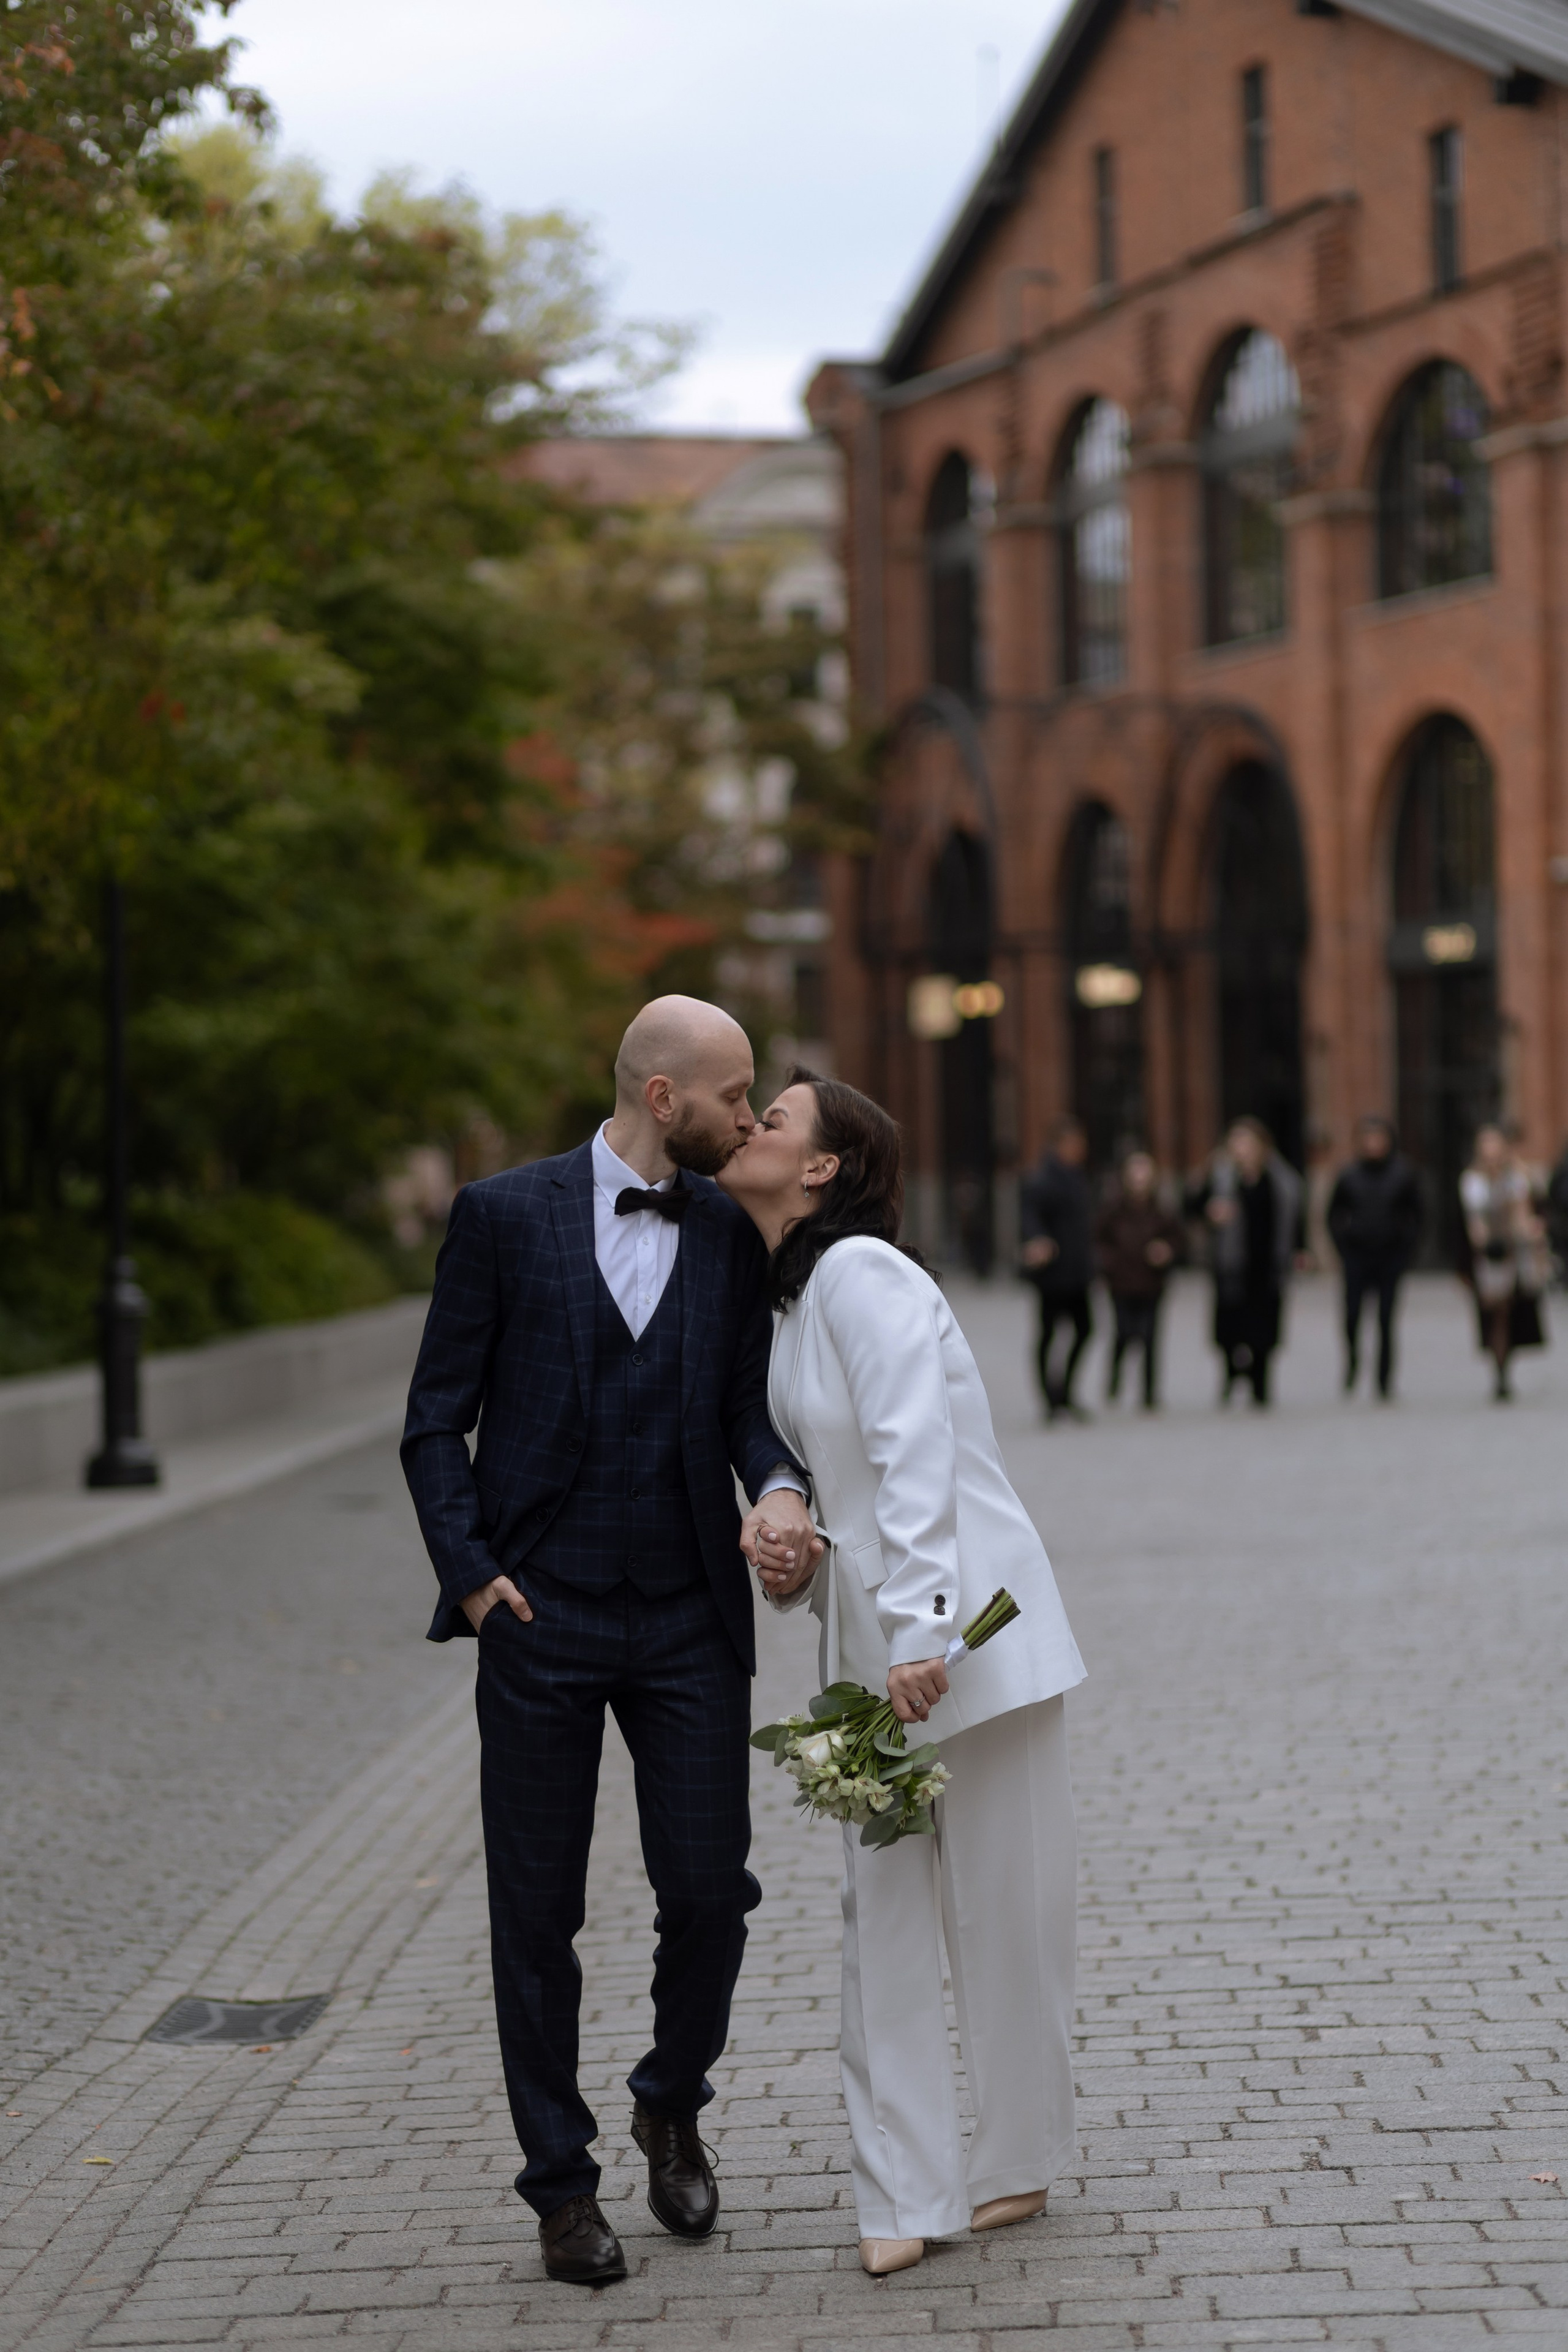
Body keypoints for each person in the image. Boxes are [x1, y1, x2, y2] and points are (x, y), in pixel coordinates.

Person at [401, 997, 821, 2287]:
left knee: (710, 1890)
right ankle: (560, 2187)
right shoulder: (502, 1217)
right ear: (660, 1097)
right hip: (540, 1615)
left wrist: (784, 1490)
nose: (747, 1116)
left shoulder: (724, 1237)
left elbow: (745, 1413)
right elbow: (433, 1424)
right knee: (536, 1913)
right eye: (733, 1093)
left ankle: (668, 2097)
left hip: (687, 1613)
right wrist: (474, 1583)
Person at [720, 1069, 1085, 2278]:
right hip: (869, 1660)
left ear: (823, 1167)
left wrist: (923, 1627)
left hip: (972, 1636)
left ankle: (1017, 2162)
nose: (751, 1129)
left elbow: (912, 1451)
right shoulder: (788, 1302)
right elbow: (853, 1495)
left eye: (772, 1119)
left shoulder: (864, 1273)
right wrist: (801, 1560)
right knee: (876, 1924)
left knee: (1005, 1915)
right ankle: (901, 2194)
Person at [1187, 1118, 1303, 1408]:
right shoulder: (1220, 1178)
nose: (1242, 1150)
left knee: (1265, 1331)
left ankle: (1260, 1385)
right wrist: (1209, 1210)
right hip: (1231, 1267)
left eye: (1248, 1143)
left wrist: (1300, 1250)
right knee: (1229, 1329)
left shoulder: (1282, 1180)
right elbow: (1190, 1206)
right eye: (1236, 1143)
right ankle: (1231, 1376)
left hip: (1267, 1266)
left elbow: (1296, 1219)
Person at [1325, 1117, 1424, 1400]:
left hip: (1390, 1257)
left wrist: (1406, 1249)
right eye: (1368, 1139)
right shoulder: (1349, 1175)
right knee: (1352, 1316)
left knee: (1386, 1319)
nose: (1373, 1144)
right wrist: (1343, 1246)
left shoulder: (1403, 1173)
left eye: (1378, 1138)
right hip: (1356, 1256)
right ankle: (1353, 1363)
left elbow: (1418, 1215)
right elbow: (1332, 1215)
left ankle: (1384, 1378)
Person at [1460, 1124, 1548, 1402]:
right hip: (1490, 1253)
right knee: (1496, 1312)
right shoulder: (1473, 1181)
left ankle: (1506, 1364)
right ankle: (1500, 1371)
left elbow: (1528, 1207)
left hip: (1516, 1249)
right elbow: (1473, 1222)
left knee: (1513, 1310)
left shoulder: (1517, 1176)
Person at [1019, 1117, 1096, 1420]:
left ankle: (1064, 1392)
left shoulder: (1076, 1176)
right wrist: (1038, 1240)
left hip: (1077, 1271)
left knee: (1086, 1329)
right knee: (1048, 1334)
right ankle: (1050, 1399)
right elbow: (1030, 1217)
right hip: (1052, 1274)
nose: (1082, 1149)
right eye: (1078, 1144)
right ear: (1062, 1145)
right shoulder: (1042, 1179)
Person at [1095, 1150, 1183, 1409]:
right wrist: (1110, 1264)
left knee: (1150, 1336)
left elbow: (1179, 1240)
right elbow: (1099, 1240)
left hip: (1152, 1282)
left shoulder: (1162, 1210)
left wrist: (1166, 1251)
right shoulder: (1114, 1209)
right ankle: (1115, 1378)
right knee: (1123, 1332)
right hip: (1121, 1282)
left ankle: (1149, 1391)